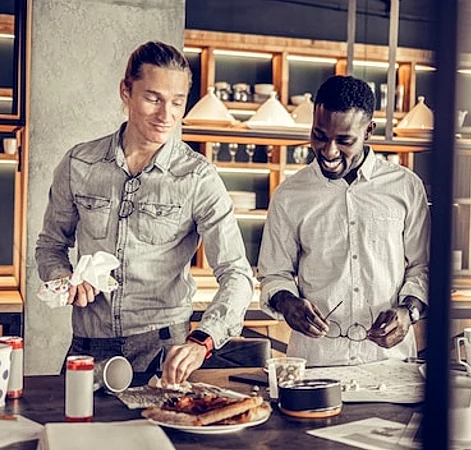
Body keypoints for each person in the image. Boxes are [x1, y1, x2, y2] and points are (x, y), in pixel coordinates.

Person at [35, 41, 253, 384]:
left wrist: (203, 340)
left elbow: (237, 273)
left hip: (164, 350)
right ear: (126, 91)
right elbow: (49, 245)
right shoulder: (79, 163)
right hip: (88, 347)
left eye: (177, 102)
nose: (166, 115)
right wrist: (63, 278)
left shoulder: (198, 177)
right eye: (153, 98)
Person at [257, 75, 429, 367]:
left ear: (369, 132)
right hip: (316, 362)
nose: (329, 151)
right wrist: (288, 304)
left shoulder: (406, 187)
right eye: (320, 135)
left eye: (344, 140)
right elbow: (274, 274)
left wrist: (408, 312)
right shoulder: (289, 194)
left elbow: (424, 267)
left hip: (389, 364)